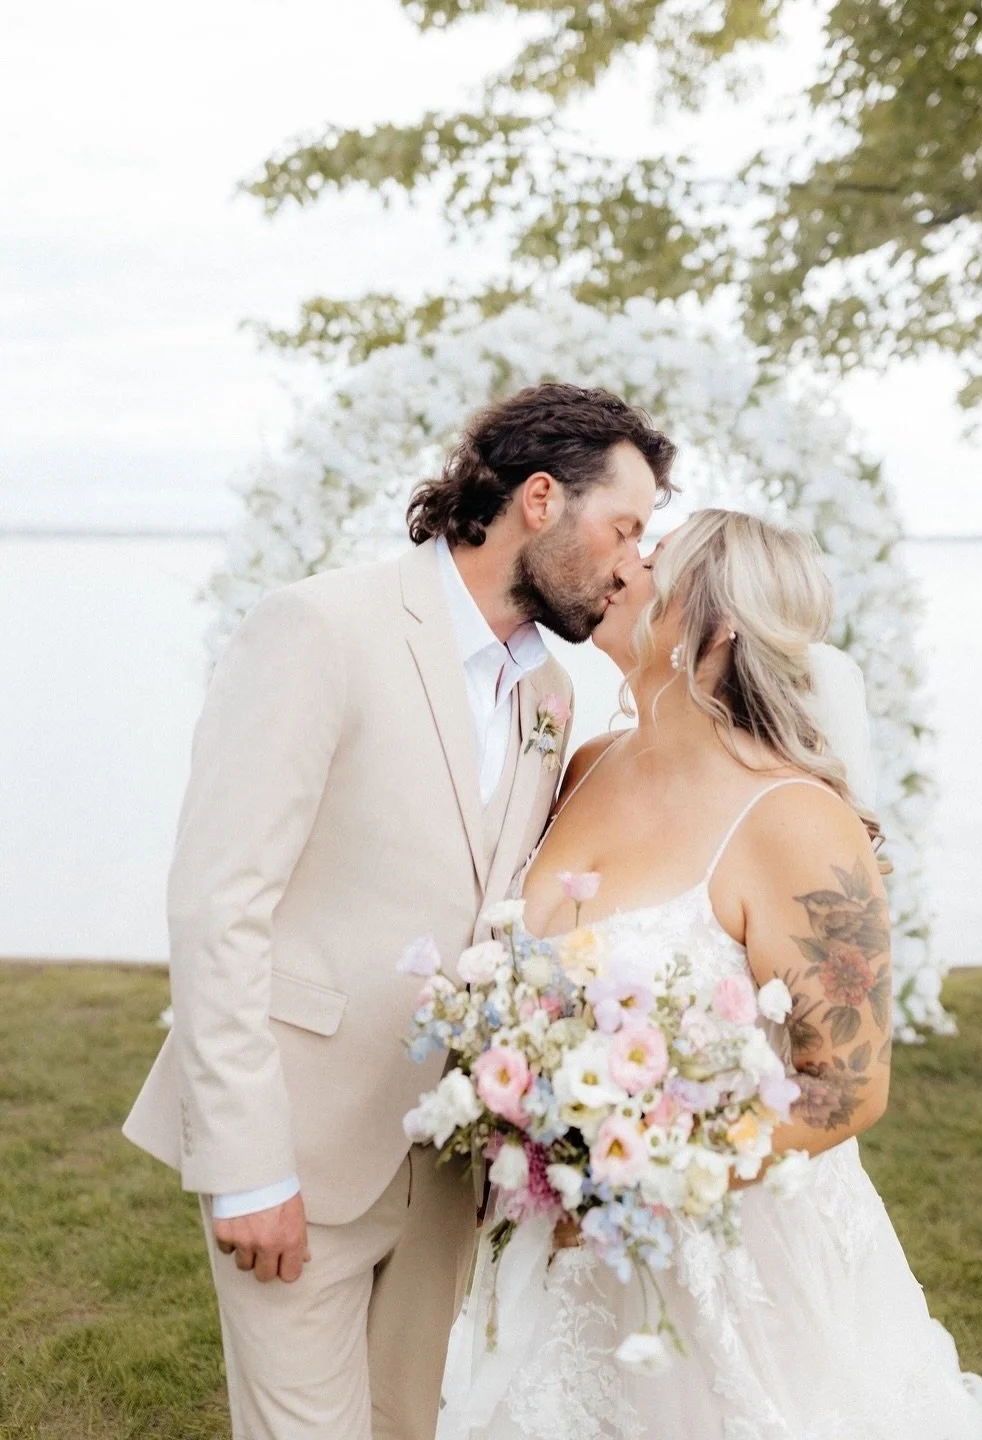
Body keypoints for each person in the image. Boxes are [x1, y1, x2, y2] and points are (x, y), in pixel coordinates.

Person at [122, 382, 676, 1440]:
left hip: (448, 1165)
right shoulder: (319, 627)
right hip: (298, 1140)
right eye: (623, 528)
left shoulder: (551, 696)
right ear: (542, 500)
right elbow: (217, 905)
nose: (629, 562)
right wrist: (247, 1168)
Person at [440, 509, 982, 1439]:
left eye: (652, 560)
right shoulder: (585, 767)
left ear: (718, 623)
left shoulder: (796, 820)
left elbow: (850, 1086)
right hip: (555, 1238)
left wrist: (638, 1174)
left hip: (727, 1260)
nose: (621, 567)